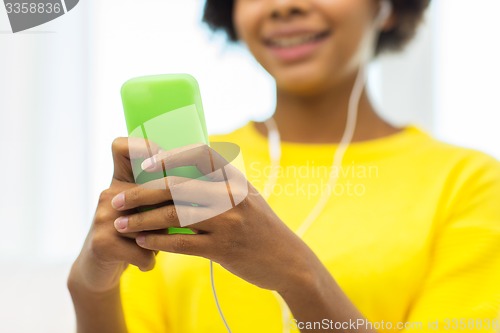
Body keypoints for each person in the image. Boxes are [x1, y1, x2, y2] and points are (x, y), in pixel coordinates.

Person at [68, 0, 500, 332]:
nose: (283, 6)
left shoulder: (470, 183)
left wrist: (298, 276)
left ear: (387, 8)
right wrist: (90, 286)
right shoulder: (188, 171)